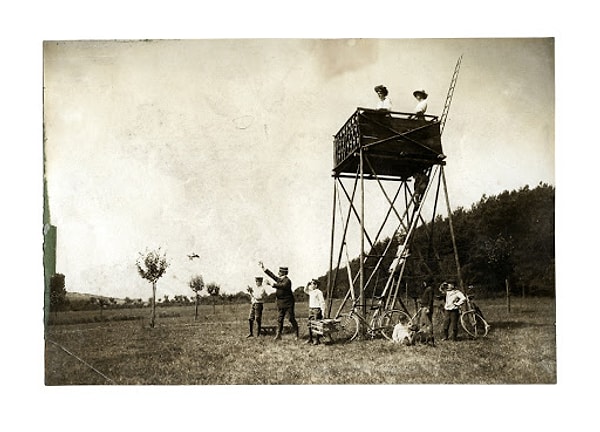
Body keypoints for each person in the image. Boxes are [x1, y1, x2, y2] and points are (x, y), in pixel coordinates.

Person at [259, 261, 299, 341]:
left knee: (291, 318)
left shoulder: (287, 281)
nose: (278, 273)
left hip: (288, 303)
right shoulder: (279, 279)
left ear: (283, 273)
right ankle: (278, 335)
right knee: (280, 319)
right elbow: (272, 275)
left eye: (279, 271)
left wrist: (272, 284)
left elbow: (282, 286)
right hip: (280, 303)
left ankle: (297, 333)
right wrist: (263, 268)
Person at [303, 279, 326, 345]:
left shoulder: (319, 292)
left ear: (316, 285)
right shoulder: (311, 291)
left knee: (316, 325)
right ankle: (310, 339)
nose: (311, 285)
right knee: (310, 324)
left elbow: (322, 302)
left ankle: (317, 340)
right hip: (311, 309)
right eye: (311, 283)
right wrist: (307, 284)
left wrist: (322, 311)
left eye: (313, 283)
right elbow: (305, 290)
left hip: (317, 309)